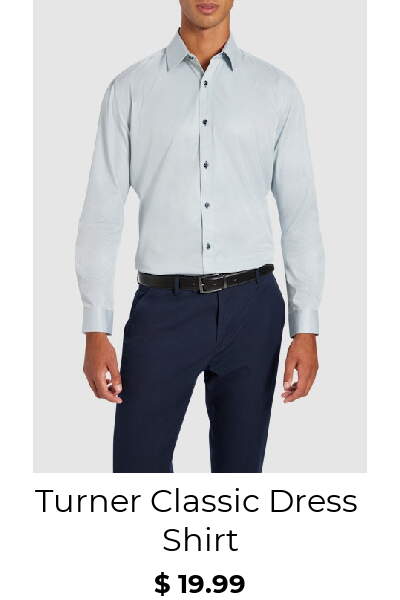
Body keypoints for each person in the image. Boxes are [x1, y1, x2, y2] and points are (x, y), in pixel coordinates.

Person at [75, 0, 324, 473]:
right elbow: (102, 215)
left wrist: (305, 326)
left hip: (253, 309)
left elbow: (300, 215)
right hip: (163, 311)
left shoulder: (277, 90)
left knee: (240, 477)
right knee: (136, 473)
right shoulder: (129, 90)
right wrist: (95, 327)